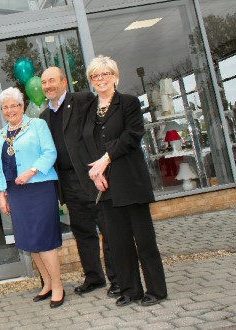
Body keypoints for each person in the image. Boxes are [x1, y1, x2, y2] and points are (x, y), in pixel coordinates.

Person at [80, 55, 167, 307]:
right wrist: (95, 174)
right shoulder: (89, 110)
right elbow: (86, 142)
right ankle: (131, 290)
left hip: (130, 180)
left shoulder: (129, 103)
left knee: (144, 239)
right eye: (96, 76)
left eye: (105, 74)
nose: (101, 79)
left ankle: (157, 290)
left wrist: (105, 159)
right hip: (105, 186)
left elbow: (132, 136)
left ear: (115, 76)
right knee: (118, 242)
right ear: (91, 81)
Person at [39, 66, 119, 297]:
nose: (48, 86)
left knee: (107, 229)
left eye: (52, 80)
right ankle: (94, 277)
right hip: (67, 183)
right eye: (44, 82)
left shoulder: (83, 100)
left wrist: (104, 165)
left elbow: (102, 130)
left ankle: (117, 279)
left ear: (64, 82)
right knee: (83, 231)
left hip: (92, 177)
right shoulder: (43, 117)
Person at [0, 87, 65, 308]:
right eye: (5, 107)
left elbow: (50, 152)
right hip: (16, 193)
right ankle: (47, 284)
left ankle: (58, 285)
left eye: (13, 105)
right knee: (29, 241)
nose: (9, 110)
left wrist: (31, 171)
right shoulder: (0, 135)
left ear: (22, 105)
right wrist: (1, 196)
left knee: (44, 239)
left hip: (39, 188)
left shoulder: (37, 125)